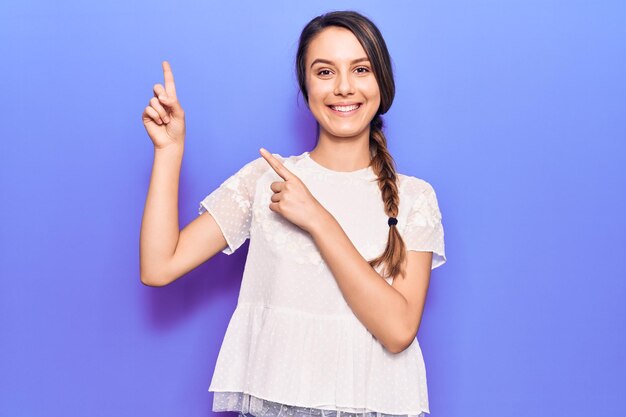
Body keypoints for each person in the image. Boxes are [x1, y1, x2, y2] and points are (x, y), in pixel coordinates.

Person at [140, 10, 446, 417]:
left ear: (381, 83)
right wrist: (168, 152)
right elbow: (159, 266)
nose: (343, 87)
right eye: (324, 72)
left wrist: (317, 218)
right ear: (305, 85)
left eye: (360, 69)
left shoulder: (414, 197)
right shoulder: (266, 179)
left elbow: (398, 331)